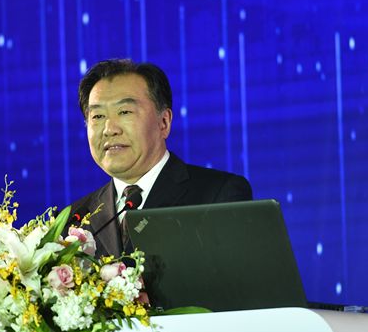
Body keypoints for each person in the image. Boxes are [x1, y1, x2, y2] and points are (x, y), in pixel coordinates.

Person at [70, 59, 252, 258]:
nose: (109, 129)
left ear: (164, 122)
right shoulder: (74, 219)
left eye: (124, 112)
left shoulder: (219, 197)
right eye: (97, 116)